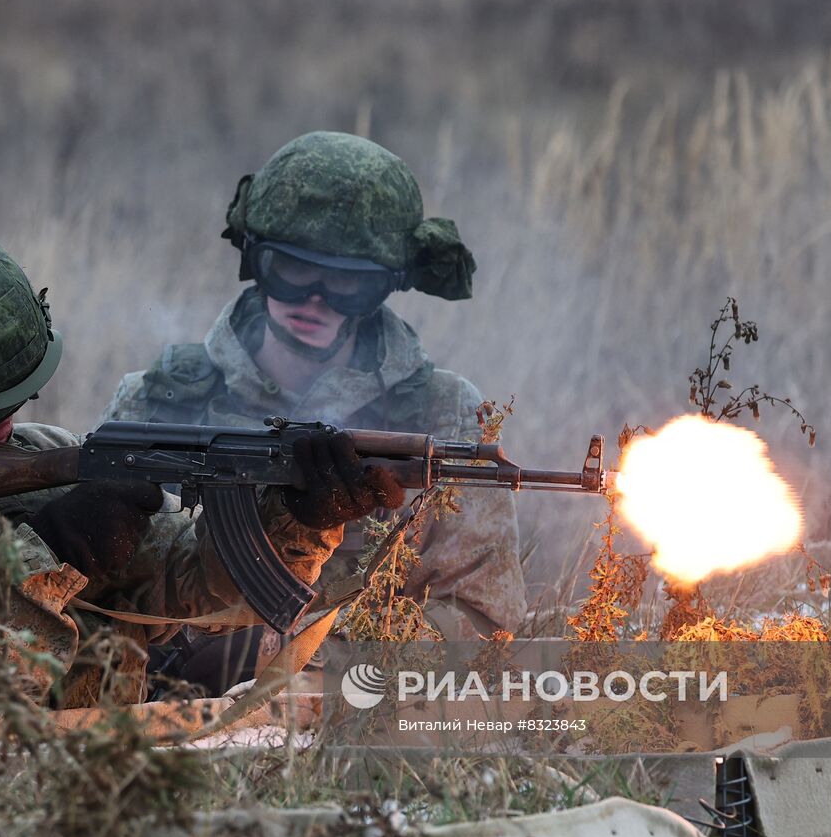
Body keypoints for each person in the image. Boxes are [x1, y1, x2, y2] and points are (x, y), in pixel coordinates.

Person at [0, 211, 400, 709]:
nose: (10, 422)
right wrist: (49, 556)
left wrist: (292, 518)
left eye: (22, 394)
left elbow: (193, 593)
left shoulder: (39, 453)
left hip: (95, 793)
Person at [101, 132, 523, 695]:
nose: (316, 299)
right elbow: (96, 593)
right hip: (155, 724)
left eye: (350, 280)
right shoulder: (156, 402)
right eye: (293, 270)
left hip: (345, 726)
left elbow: (479, 625)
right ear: (255, 259)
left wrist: (303, 663)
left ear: (388, 283)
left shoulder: (444, 418)